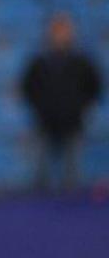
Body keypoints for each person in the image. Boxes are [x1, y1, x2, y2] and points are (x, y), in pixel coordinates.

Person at [21, 13, 104, 192]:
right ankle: (37, 207)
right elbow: (27, 87)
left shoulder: (82, 61)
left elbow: (94, 86)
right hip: (45, 121)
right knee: (40, 169)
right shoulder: (40, 62)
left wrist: (81, 106)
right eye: (57, 31)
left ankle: (72, 211)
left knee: (72, 171)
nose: (60, 35)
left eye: (64, 30)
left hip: (73, 121)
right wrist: (40, 107)